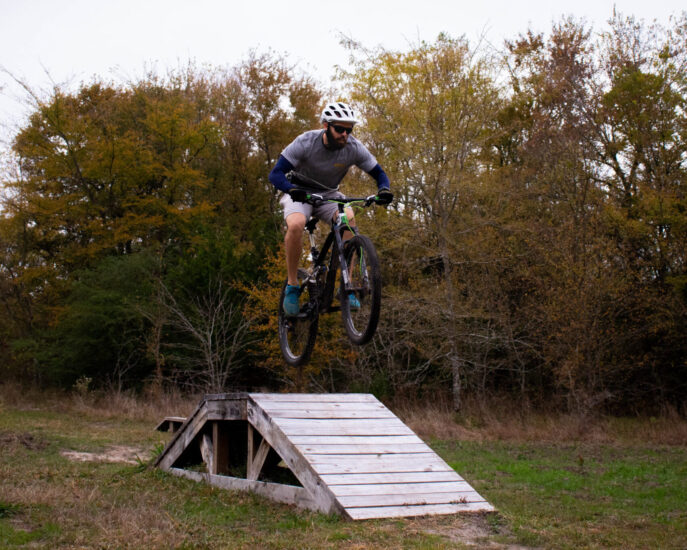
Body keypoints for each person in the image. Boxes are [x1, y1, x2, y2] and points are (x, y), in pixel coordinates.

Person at [269, 101, 393, 316]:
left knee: (349, 219)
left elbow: (379, 173)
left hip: (329, 194)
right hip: (300, 192)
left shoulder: (353, 147)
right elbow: (275, 174)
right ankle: (292, 284)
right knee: (296, 224)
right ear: (326, 126)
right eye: (340, 129)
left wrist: (384, 189)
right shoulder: (306, 142)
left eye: (349, 130)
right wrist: (291, 189)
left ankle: (347, 285)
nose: (345, 134)